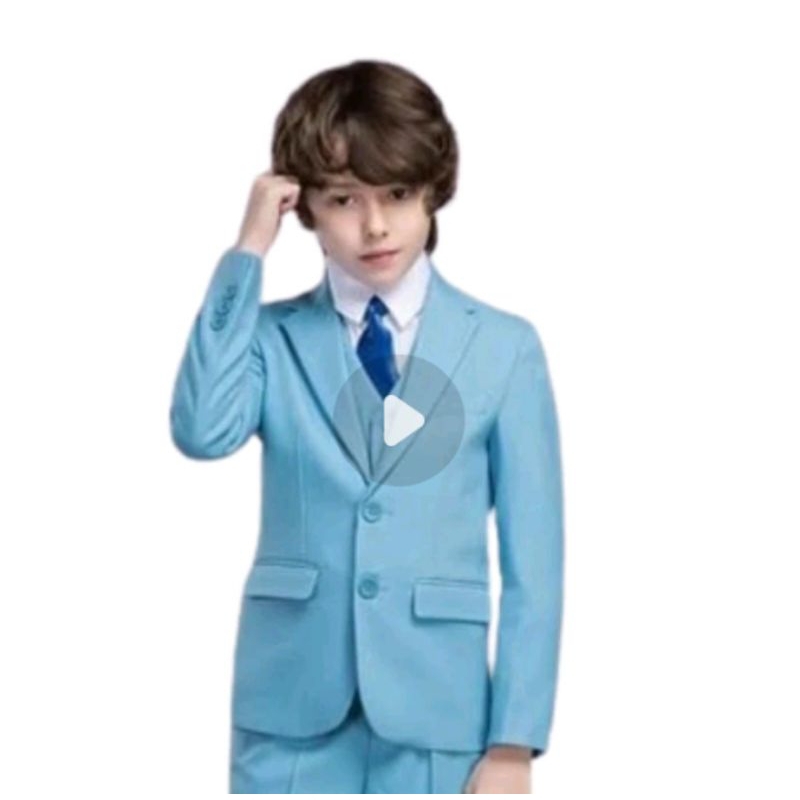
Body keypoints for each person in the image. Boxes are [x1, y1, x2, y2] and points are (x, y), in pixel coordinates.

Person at [169, 59, 564, 794]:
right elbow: (202, 431)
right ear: (305, 206)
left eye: (398, 194)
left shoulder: (505, 348)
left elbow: (535, 564)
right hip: (289, 716)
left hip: (439, 716)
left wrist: (514, 741)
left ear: (433, 191)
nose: (375, 225)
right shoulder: (269, 337)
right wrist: (246, 252)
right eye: (344, 199)